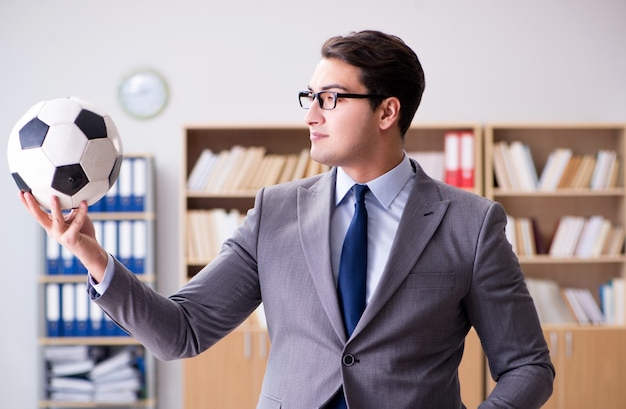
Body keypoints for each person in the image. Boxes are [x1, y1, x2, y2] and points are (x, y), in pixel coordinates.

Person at [21, 30, 554, 408]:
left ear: (387, 112)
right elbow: (180, 333)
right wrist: (92, 257)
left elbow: (528, 367)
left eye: (329, 98)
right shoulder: (275, 211)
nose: (310, 114)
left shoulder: (472, 223)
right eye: (310, 97)